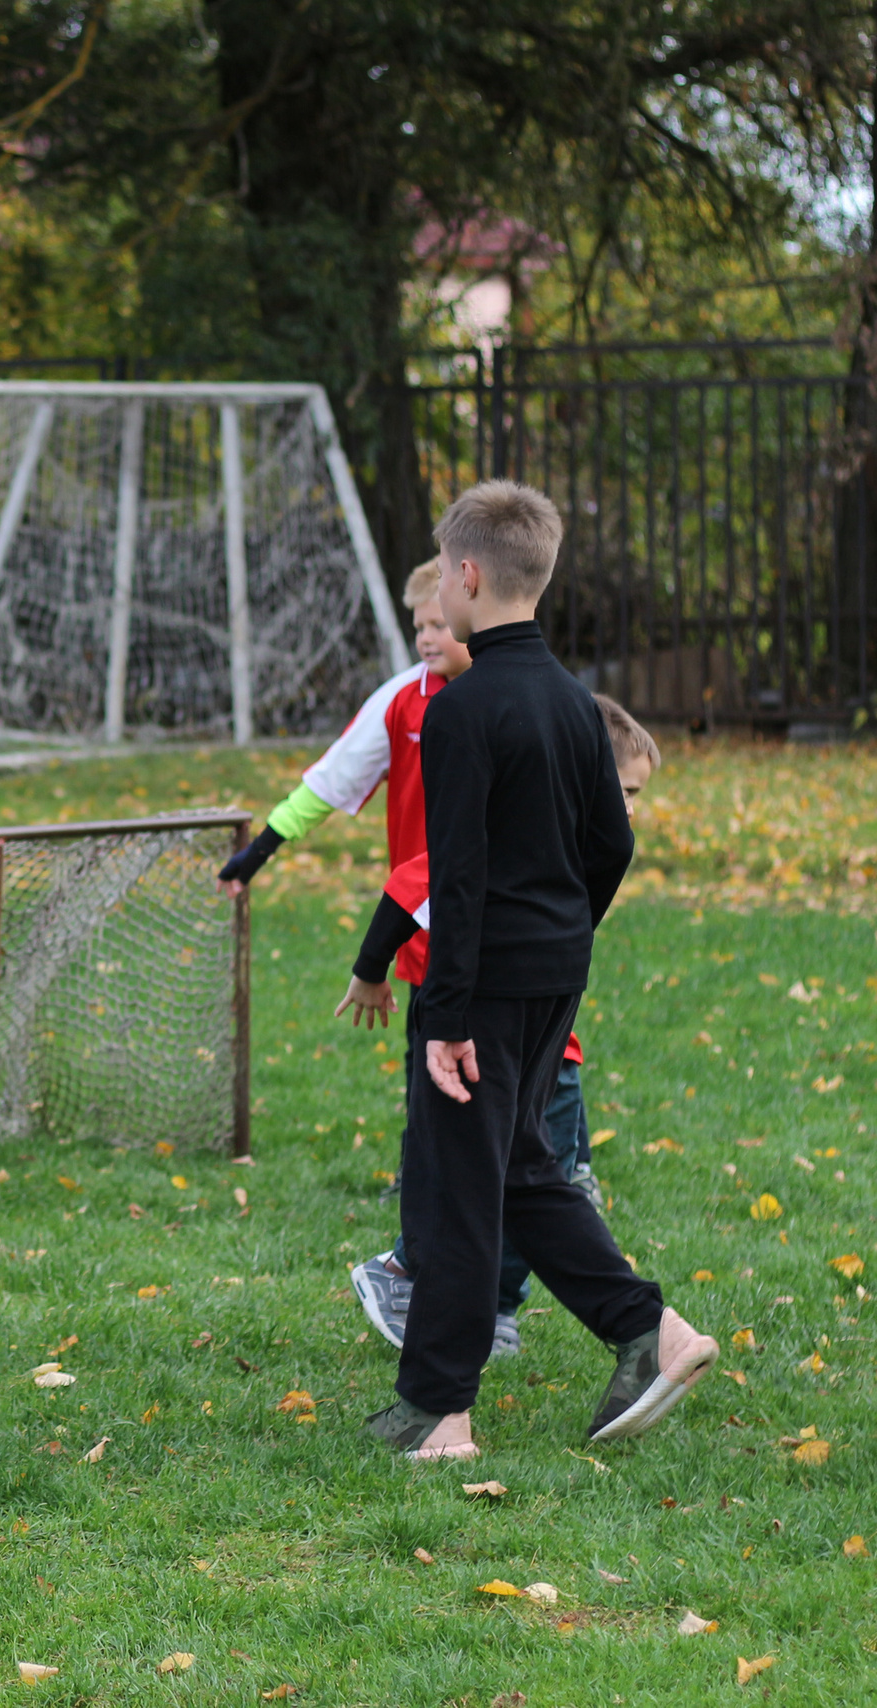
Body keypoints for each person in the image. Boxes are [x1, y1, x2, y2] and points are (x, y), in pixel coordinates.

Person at [364, 480, 714, 1463]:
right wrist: (565, 925)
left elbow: (460, 878)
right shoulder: (573, 701)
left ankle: (447, 1412)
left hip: (480, 984)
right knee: (508, 1165)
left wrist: (446, 1013)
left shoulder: (465, 708)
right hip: (551, 969)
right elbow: (610, 843)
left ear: (465, 577)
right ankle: (645, 1334)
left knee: (461, 1182)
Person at [339, 693, 664, 1357]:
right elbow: (411, 884)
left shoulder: (584, 847)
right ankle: (408, 1272)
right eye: (622, 789)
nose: (628, 808)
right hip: (482, 1029)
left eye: (634, 794)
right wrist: (372, 970)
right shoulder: (501, 838)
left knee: (532, 1173)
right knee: (499, 1174)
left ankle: (497, 1309)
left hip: (548, 1045)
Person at [219, 558, 466, 897]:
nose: (426, 639)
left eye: (439, 625)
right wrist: (261, 848)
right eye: (419, 627)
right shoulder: (400, 698)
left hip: (502, 906)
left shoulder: (515, 692)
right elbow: (335, 774)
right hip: (420, 906)